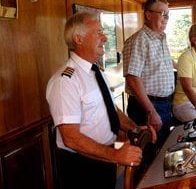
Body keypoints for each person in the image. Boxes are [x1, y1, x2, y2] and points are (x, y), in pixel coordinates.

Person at [46, 12, 155, 189]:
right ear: (78, 39)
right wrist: (115, 155)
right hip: (82, 165)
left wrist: (134, 128)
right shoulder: (65, 81)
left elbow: (111, 109)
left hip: (104, 156)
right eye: (98, 32)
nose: (104, 37)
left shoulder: (96, 72)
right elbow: (71, 138)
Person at [122, 0, 175, 151]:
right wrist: (151, 112)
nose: (166, 18)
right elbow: (132, 79)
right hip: (148, 107)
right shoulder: (139, 40)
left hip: (164, 104)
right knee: (148, 157)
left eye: (167, 14)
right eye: (162, 13)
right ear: (148, 14)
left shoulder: (161, 38)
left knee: (162, 152)